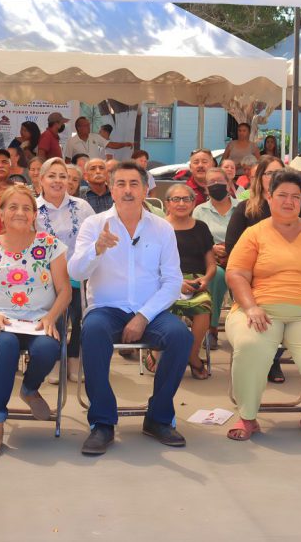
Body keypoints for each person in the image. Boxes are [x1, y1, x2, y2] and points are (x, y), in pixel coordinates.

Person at [69, 161, 192, 455]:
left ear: (146, 189)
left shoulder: (162, 228)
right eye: (120, 184)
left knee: (181, 336)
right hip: (107, 308)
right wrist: (96, 249)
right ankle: (102, 422)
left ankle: (159, 417)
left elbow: (173, 281)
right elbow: (76, 272)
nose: (127, 190)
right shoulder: (94, 225)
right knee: (93, 331)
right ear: (111, 190)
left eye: (133, 184)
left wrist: (143, 316)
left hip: (151, 310)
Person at [225, 169, 301, 441]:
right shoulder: (254, 233)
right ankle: (247, 417)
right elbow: (237, 274)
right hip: (258, 310)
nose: (288, 202)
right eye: (282, 195)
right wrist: (251, 307)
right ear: (269, 197)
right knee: (250, 345)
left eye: (295, 196)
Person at [0, 185, 71, 456]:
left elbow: (65, 291)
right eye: (12, 207)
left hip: (40, 322)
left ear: (35, 214)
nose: (20, 213)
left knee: (49, 349)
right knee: (8, 346)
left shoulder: (51, 246)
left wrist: (51, 317)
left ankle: (29, 388)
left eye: (27, 208)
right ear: (1, 214)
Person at [224, 155, 301, 384]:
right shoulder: (245, 209)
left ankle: (274, 357)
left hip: (288, 282)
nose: (275, 178)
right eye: (270, 174)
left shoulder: (299, 212)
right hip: (250, 281)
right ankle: (266, 361)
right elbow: (233, 251)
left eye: (278, 173)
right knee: (263, 311)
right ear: (260, 178)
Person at [36, 158, 95, 383]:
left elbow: (94, 240)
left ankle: (74, 357)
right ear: (41, 180)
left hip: (79, 274)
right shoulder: (33, 208)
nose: (58, 181)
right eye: (52, 176)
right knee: (56, 316)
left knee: (81, 317)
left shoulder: (82, 207)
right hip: (44, 276)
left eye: (63, 176)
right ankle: (53, 359)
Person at [164, 183, 217, 379]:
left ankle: (192, 355)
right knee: (167, 308)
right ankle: (158, 351)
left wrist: (206, 278)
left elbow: (211, 263)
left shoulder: (201, 228)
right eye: (175, 199)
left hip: (196, 281)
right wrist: (176, 281)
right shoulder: (159, 227)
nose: (181, 203)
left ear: (194, 203)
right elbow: (151, 265)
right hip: (166, 281)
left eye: (186, 199)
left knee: (203, 306)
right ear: (167, 203)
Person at [191, 166, 238, 346]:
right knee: (217, 276)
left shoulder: (241, 208)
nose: (216, 185)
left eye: (220, 181)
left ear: (228, 183)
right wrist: (212, 248)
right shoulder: (199, 211)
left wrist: (231, 249)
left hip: (239, 259)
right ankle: (211, 329)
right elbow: (196, 240)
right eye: (211, 182)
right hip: (212, 260)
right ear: (205, 188)